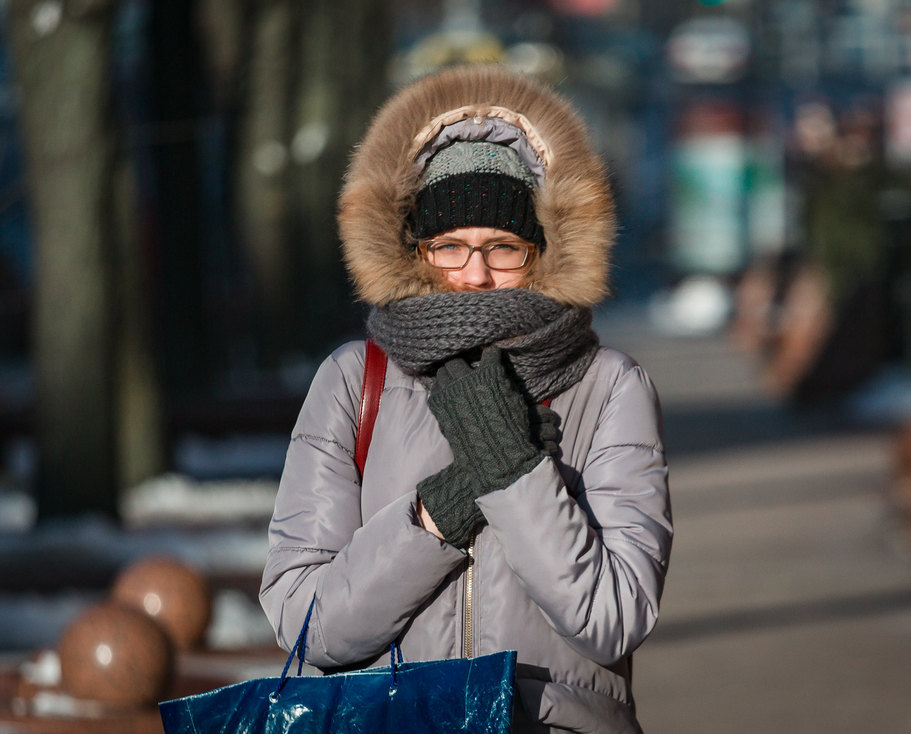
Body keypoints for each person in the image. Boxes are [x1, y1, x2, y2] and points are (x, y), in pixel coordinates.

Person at [260, 64, 672, 734]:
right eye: (448, 246)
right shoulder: (351, 380)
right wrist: (437, 512)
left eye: (502, 247)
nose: (475, 274)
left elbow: (611, 620)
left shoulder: (608, 384)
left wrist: (515, 475)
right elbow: (307, 626)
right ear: (413, 252)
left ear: (541, 250)